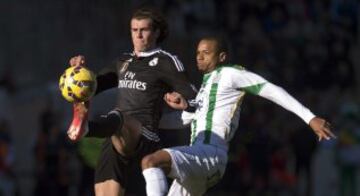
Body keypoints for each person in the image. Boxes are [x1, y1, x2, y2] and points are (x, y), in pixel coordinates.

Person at [140, 36, 337, 196]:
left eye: (206, 53)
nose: (199, 57)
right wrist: (149, 121)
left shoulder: (230, 74)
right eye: (198, 53)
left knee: (151, 162)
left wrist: (309, 117)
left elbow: (271, 90)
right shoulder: (204, 89)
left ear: (222, 57)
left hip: (209, 153)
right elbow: (187, 120)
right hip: (200, 161)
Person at [66, 7, 197, 196]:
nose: (139, 35)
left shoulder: (166, 61)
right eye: (134, 30)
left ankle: (87, 129)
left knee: (119, 115)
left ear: (157, 32)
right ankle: (87, 126)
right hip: (116, 137)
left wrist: (184, 102)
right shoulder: (123, 61)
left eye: (144, 30)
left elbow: (194, 96)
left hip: (145, 135)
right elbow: (93, 86)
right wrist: (79, 73)